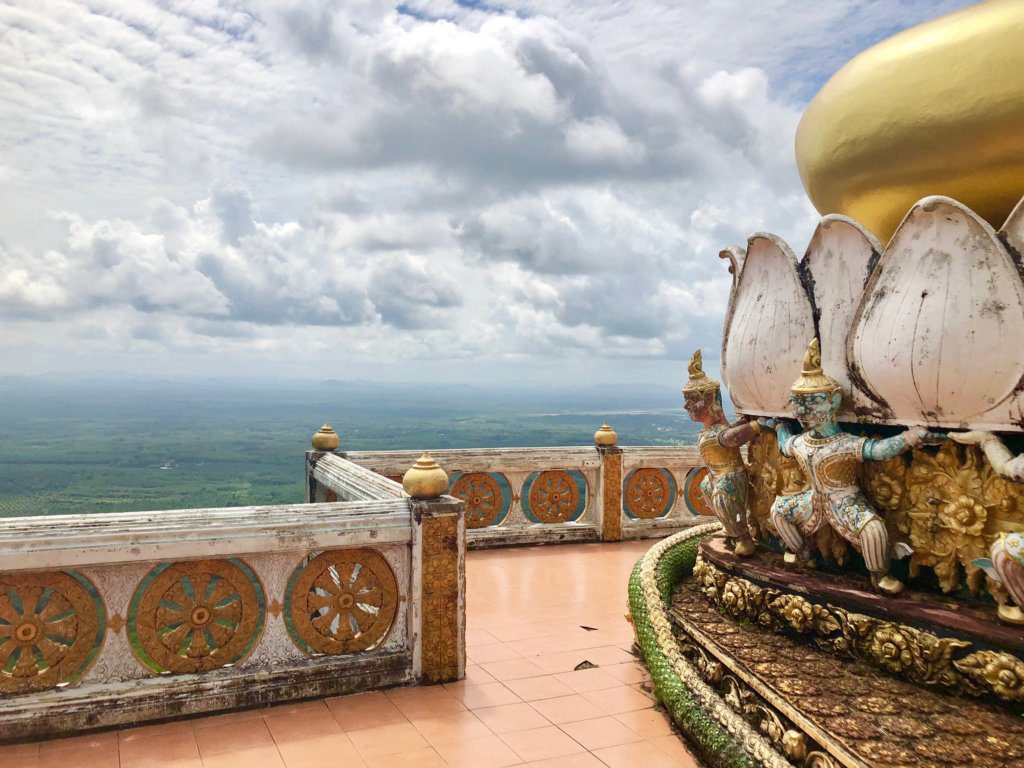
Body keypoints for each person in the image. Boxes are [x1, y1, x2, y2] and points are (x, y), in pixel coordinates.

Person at [759, 339, 944, 595]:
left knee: (873, 529)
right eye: (798, 404)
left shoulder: (844, 444)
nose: (802, 411)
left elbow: (879, 451)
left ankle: (879, 574)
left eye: (811, 404)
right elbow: (784, 445)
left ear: (834, 402)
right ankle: (802, 551)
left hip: (845, 501)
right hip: (812, 499)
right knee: (778, 511)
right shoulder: (801, 442)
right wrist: (778, 425)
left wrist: (911, 438)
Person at [683, 349, 760, 556]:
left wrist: (757, 425)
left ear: (709, 402)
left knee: (724, 496)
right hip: (716, 474)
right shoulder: (711, 431)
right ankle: (731, 527)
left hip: (730, 477)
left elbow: (732, 438)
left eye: (692, 401)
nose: (686, 406)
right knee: (707, 486)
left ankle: (743, 537)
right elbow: (729, 432)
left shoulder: (720, 434)